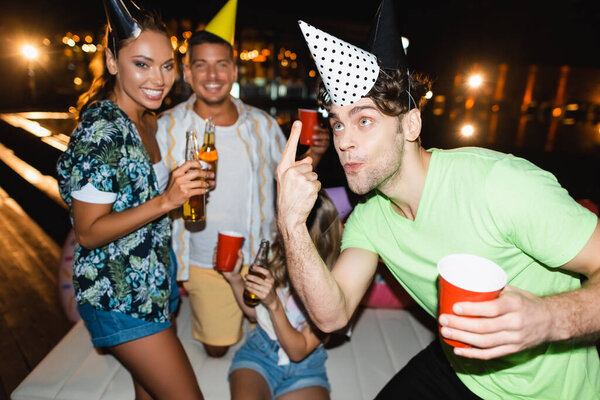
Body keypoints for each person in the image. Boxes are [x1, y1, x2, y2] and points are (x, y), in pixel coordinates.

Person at [274, 18, 600, 400]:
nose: (344, 141)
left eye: (364, 120)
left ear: (410, 125)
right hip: (460, 370)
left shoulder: (498, 184)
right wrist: (292, 223)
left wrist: (547, 319)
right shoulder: (370, 218)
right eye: (338, 125)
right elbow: (332, 314)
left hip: (555, 391)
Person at [156, 2, 330, 358]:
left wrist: (314, 157)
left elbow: (288, 182)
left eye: (222, 64)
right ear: (187, 73)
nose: (212, 74)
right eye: (201, 65)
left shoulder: (263, 124)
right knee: (219, 349)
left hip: (263, 254)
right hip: (205, 258)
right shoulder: (167, 128)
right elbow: (153, 197)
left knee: (271, 339)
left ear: (234, 70)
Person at [56, 1, 208, 398]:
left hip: (153, 283)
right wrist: (166, 201)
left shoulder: (146, 118)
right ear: (111, 62)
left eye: (167, 65)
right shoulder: (101, 132)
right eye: (142, 64)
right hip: (116, 293)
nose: (159, 79)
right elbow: (87, 233)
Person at [221, 190, 342, 399]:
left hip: (306, 367)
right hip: (259, 353)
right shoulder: (275, 254)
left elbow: (298, 352)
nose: (277, 226)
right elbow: (253, 314)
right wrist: (234, 279)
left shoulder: (337, 283)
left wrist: (274, 303)